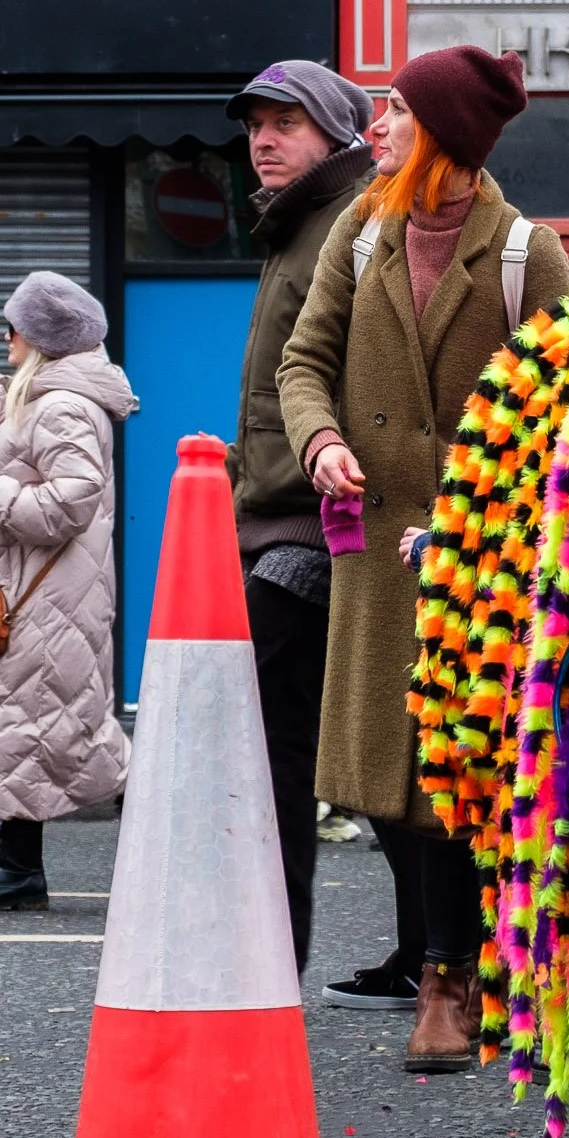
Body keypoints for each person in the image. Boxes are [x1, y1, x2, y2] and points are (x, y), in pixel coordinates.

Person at [276, 42, 569, 1073]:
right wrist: (318, 441)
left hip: (477, 551)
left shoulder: (525, 253)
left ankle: (449, 976)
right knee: (374, 774)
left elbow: (558, 411)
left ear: (443, 131)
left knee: (452, 771)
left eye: (395, 110)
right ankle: (469, 952)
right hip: (369, 550)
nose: (376, 126)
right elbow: (302, 358)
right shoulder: (360, 233)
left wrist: (473, 479)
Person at [220, 60, 379, 982]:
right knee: (338, 745)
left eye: (287, 122)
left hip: (317, 527)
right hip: (278, 512)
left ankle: (274, 956)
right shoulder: (295, 224)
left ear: (336, 133)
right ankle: (429, 954)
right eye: (256, 125)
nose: (265, 139)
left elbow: (337, 377)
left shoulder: (348, 223)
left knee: (285, 742)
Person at [0, 273, 133, 911]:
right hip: (41, 593)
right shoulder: (42, 396)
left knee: (41, 724)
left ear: (39, 337)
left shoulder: (61, 404)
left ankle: (21, 866)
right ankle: (21, 862)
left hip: (47, 598)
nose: (5, 337)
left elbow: (70, 502)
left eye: (14, 325)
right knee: (45, 725)